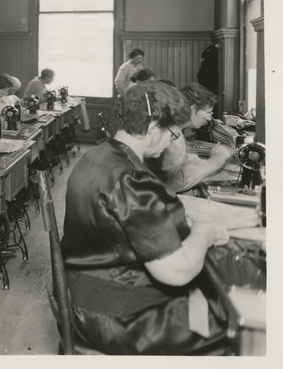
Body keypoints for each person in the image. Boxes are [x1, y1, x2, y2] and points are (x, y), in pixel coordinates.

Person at [61, 81, 228, 354]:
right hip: (120, 318)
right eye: (172, 135)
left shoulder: (97, 155)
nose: (171, 142)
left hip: (87, 295)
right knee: (234, 331)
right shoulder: (132, 177)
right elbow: (177, 271)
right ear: (151, 128)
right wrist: (204, 231)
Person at [145, 83, 233, 193]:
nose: (210, 118)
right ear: (192, 108)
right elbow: (170, 184)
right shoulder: (169, 135)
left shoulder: (175, 128)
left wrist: (206, 161)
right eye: (207, 112)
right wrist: (213, 164)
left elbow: (182, 159)